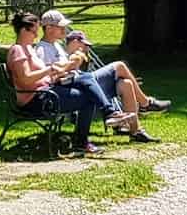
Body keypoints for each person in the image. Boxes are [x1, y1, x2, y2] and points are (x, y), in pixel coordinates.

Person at [35, 10, 165, 142]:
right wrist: (73, 63)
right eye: (61, 26)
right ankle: (144, 103)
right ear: (49, 28)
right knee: (119, 66)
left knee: (126, 84)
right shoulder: (42, 49)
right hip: (75, 84)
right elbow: (50, 76)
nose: (64, 29)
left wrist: (75, 59)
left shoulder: (56, 45)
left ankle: (136, 131)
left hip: (79, 81)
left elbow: (67, 67)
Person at [5, 11, 118, 155]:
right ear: (23, 30)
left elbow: (40, 74)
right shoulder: (18, 50)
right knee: (88, 95)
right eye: (33, 31)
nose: (35, 35)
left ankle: (106, 116)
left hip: (45, 93)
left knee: (85, 81)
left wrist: (57, 72)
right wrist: (50, 70)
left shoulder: (28, 49)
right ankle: (87, 135)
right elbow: (26, 79)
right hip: (35, 100)